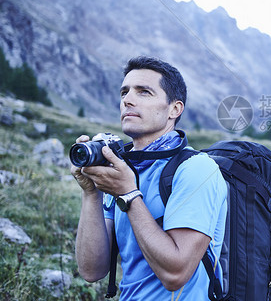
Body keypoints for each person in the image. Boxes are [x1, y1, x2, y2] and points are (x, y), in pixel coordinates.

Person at [72, 55, 228, 300]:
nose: (128, 100)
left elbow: (175, 274)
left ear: (174, 109)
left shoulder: (196, 169)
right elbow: (92, 270)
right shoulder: (124, 169)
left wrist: (129, 194)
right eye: (124, 92)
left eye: (144, 92)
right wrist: (91, 193)